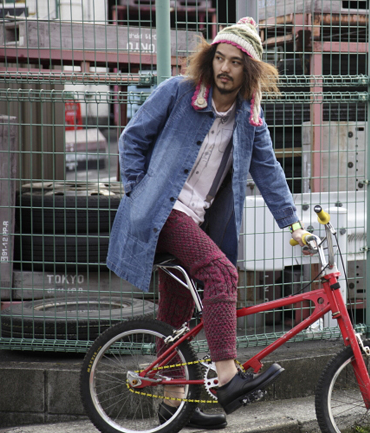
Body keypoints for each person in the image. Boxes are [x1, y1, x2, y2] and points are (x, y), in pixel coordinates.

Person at [106, 17, 309, 430]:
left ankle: (172, 406)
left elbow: (269, 171)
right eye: (220, 58)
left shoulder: (250, 118)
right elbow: (132, 138)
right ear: (209, 59)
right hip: (163, 211)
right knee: (221, 273)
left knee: (176, 314)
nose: (225, 68)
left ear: (248, 70)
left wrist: (293, 225)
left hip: (195, 220)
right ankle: (228, 379)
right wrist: (138, 192)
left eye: (235, 62)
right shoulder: (178, 92)